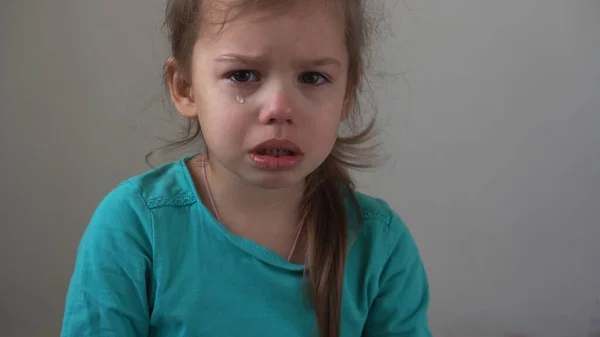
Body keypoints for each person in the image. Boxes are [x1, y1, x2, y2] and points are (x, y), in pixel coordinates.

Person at [60, 0, 432, 336]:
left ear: (347, 94)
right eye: (242, 75)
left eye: (313, 77)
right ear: (185, 88)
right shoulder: (134, 227)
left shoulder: (380, 246)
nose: (279, 108)